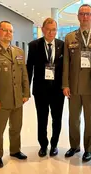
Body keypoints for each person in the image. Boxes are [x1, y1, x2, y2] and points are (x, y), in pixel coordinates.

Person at [0, 21, 30, 168]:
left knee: (16, 127)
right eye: (5, 30)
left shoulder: (18, 52)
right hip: (1, 100)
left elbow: (24, 74)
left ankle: (15, 150)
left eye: (11, 31)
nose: (8, 33)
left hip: (17, 98)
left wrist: (26, 92)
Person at [62, 4, 91, 162]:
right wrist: (65, 85)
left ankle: (88, 148)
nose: (85, 17)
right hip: (73, 86)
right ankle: (74, 146)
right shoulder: (70, 37)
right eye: (82, 14)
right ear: (78, 17)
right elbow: (66, 63)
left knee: (90, 119)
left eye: (88, 14)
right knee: (73, 119)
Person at [26, 18, 64, 157]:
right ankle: (43, 145)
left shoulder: (62, 45)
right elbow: (29, 69)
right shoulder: (34, 45)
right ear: (42, 29)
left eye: (53, 29)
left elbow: (66, 69)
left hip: (57, 91)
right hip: (40, 90)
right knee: (42, 119)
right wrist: (26, 90)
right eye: (48, 29)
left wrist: (66, 86)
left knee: (57, 119)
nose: (51, 32)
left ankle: (54, 144)